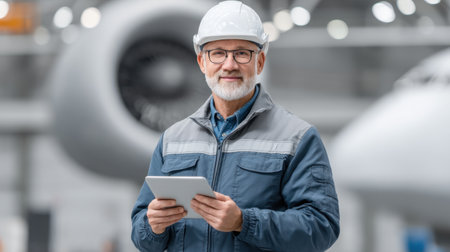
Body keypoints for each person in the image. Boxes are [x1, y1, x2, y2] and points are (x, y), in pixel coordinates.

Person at [131, 1, 340, 251]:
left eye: (241, 53)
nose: (229, 65)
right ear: (202, 62)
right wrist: (152, 225)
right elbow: (141, 235)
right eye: (218, 53)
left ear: (260, 61)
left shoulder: (297, 137)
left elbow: (322, 227)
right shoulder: (172, 140)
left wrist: (244, 222)